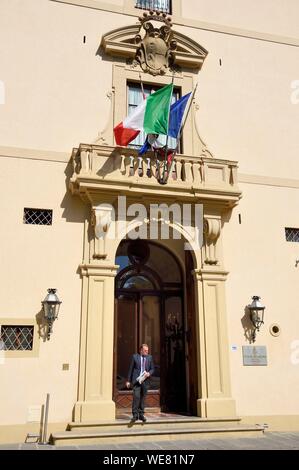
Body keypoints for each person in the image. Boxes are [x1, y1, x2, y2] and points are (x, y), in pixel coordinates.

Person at [126, 343, 155, 423]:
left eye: (147, 351)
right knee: (136, 397)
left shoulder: (150, 358)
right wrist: (128, 380)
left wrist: (149, 373)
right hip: (136, 381)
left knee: (143, 398)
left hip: (145, 381)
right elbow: (131, 369)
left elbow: (152, 369)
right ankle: (135, 415)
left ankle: (141, 414)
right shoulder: (135, 357)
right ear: (141, 350)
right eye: (145, 351)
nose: (147, 352)